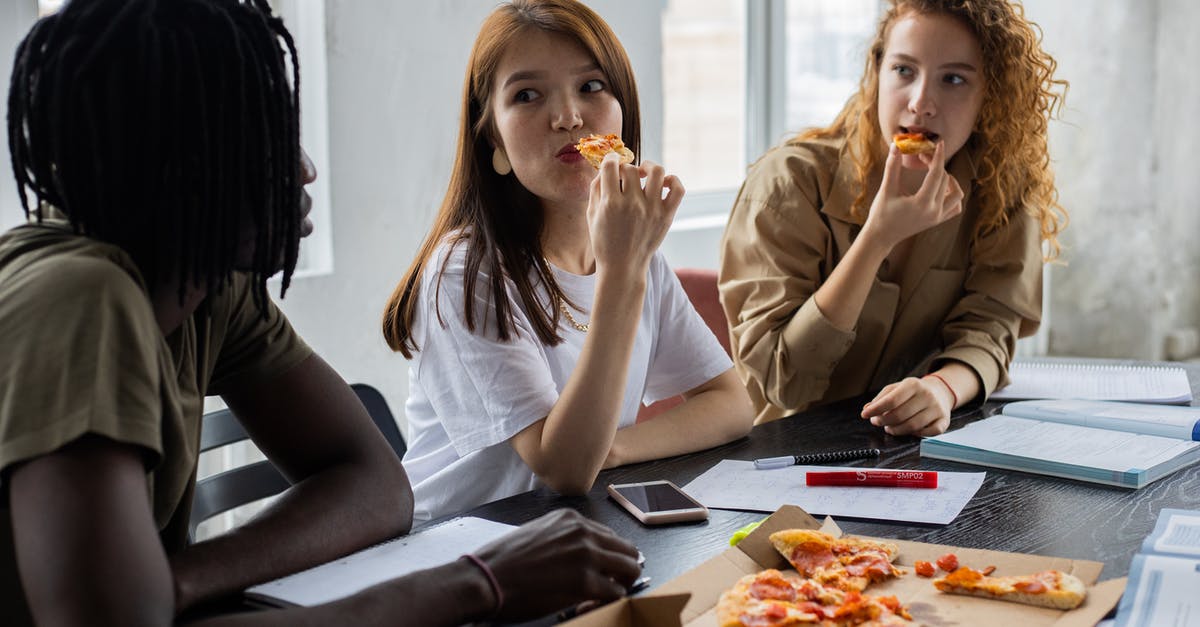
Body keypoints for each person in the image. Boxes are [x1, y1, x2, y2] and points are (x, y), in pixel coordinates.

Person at [0, 1, 639, 625]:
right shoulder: (78, 296)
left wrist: (178, 582)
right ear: (176, 164)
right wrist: (481, 583)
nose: (303, 169)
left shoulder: (210, 285)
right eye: (263, 141)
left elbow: (375, 486)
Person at [382, 0, 754, 524]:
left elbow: (731, 404)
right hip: (461, 552)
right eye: (528, 95)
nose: (568, 117)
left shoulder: (635, 251)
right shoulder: (466, 272)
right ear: (494, 138)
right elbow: (563, 468)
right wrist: (623, 270)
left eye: (591, 87)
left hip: (575, 533)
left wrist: (616, 448)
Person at [719, 0, 1068, 435]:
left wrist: (941, 389)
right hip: (787, 450)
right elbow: (782, 382)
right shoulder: (788, 184)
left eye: (954, 79)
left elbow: (990, 328)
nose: (921, 103)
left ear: (988, 98)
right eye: (904, 71)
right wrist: (877, 238)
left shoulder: (1001, 188)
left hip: (919, 445)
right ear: (877, 72)